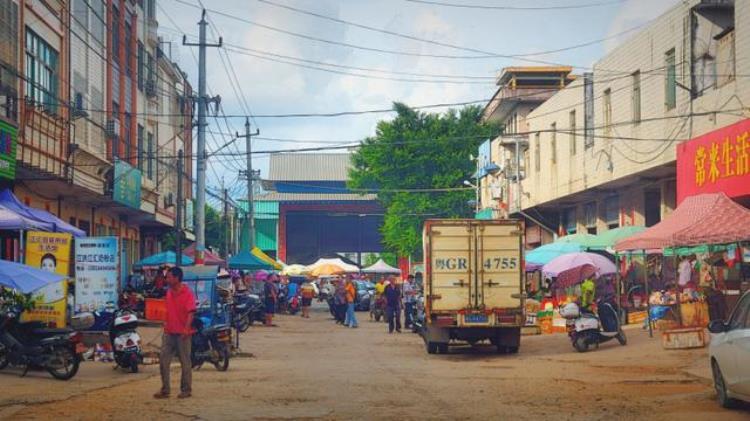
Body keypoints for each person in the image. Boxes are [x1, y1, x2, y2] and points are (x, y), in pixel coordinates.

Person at [154, 267, 196, 400]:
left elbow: (191, 312)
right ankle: (165, 389)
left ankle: (186, 389)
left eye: (170, 277)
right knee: (163, 360)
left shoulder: (187, 293)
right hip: (169, 332)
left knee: (185, 362)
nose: (167, 279)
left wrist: (186, 328)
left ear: (177, 278)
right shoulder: (169, 292)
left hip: (183, 333)